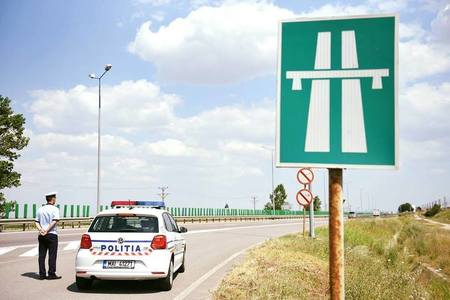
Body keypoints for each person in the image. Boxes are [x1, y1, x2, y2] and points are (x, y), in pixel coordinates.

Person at [34, 192, 61, 280]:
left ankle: (42, 274)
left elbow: (36, 222)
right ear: (53, 199)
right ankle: (51, 274)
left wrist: (41, 230)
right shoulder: (55, 209)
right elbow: (54, 221)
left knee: (41, 255)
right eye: (55, 198)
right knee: (52, 255)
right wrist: (47, 230)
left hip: (41, 235)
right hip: (52, 234)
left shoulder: (40, 209)